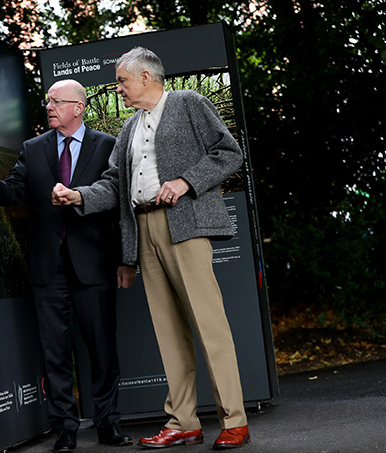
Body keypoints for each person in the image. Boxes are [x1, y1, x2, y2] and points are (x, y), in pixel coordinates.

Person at [52, 47, 251, 449]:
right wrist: (79, 197)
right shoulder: (128, 128)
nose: (119, 88)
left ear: (146, 77)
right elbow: (114, 184)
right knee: (168, 333)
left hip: (186, 226)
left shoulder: (188, 103)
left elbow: (230, 152)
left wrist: (186, 181)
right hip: (144, 232)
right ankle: (183, 422)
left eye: (122, 81)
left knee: (209, 326)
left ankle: (235, 419)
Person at [0, 79, 135, 452]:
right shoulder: (33, 148)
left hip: (94, 265)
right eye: (47, 101)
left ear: (77, 107)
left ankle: (108, 424)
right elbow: (13, 192)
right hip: (48, 268)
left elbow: (118, 208)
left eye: (56, 101)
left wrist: (127, 260)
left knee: (101, 349)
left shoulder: (107, 146)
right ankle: (65, 428)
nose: (48, 106)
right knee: (55, 352)